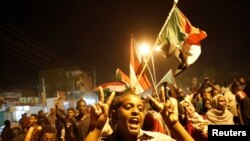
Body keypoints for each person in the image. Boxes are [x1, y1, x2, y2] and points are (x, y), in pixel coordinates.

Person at [84, 87, 194, 141]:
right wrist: (96, 128)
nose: (136, 111)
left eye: (140, 108)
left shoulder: (156, 139)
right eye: (128, 107)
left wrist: (174, 124)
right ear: (115, 114)